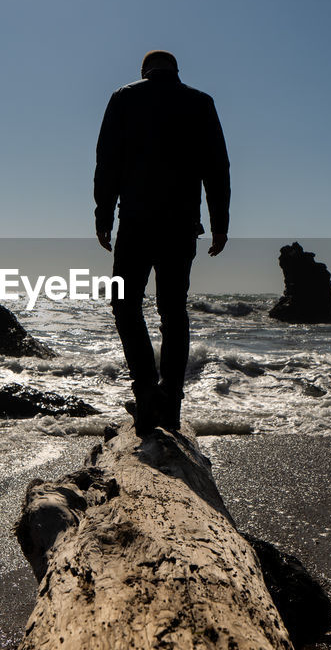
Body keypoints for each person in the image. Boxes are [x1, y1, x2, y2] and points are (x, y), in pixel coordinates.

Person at [94, 50, 230, 433]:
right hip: (181, 226)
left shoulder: (124, 97)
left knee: (125, 305)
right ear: (175, 72)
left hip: (135, 223)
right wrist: (220, 223)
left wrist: (103, 216)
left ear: (144, 72)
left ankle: (146, 392)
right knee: (173, 312)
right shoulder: (200, 102)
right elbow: (217, 168)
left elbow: (107, 162)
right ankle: (170, 403)